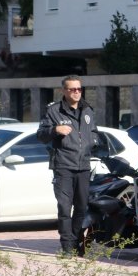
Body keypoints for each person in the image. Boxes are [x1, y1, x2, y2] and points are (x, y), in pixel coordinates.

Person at [37, 76, 98, 256]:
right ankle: (67, 246)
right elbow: (41, 135)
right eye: (72, 89)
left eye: (79, 89)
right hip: (63, 166)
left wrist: (91, 143)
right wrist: (55, 130)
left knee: (81, 207)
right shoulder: (53, 111)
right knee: (65, 207)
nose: (77, 92)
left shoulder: (88, 110)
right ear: (64, 91)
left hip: (83, 166)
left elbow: (94, 132)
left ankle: (77, 240)